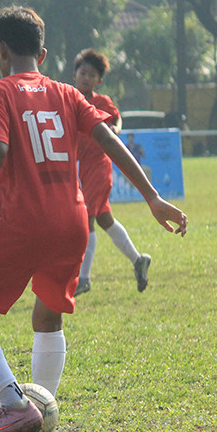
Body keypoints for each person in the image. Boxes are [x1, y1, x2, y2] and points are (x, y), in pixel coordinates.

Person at [0, 6, 187, 432]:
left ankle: (15, 406)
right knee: (47, 315)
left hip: (23, 222)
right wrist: (152, 197)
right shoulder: (68, 93)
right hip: (72, 220)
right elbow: (109, 140)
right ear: (44, 54)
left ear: (1, 51)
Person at [72, 49, 151, 296]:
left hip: (99, 165)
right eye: (83, 72)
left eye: (91, 74)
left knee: (87, 219)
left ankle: (83, 278)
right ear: (74, 74)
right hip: (80, 166)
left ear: (99, 81)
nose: (86, 77)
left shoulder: (102, 102)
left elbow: (117, 119)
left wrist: (115, 128)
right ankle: (138, 260)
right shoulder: (68, 99)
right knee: (105, 219)